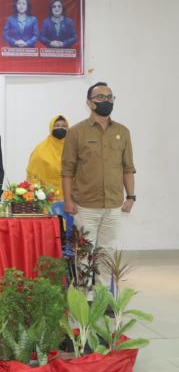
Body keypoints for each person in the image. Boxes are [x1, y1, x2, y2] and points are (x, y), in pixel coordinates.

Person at [62, 82, 136, 288]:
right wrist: (68, 201)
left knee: (107, 253)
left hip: (113, 204)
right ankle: (84, 299)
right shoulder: (76, 132)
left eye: (110, 97)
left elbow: (128, 167)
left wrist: (131, 197)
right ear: (89, 103)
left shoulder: (122, 131)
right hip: (85, 206)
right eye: (101, 98)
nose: (106, 101)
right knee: (84, 254)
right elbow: (67, 170)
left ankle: (102, 296)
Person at [26, 115, 69, 200]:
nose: (60, 128)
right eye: (57, 126)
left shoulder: (73, 148)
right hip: (47, 200)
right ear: (51, 127)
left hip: (70, 199)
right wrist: (40, 194)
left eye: (64, 126)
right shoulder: (41, 150)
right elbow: (33, 175)